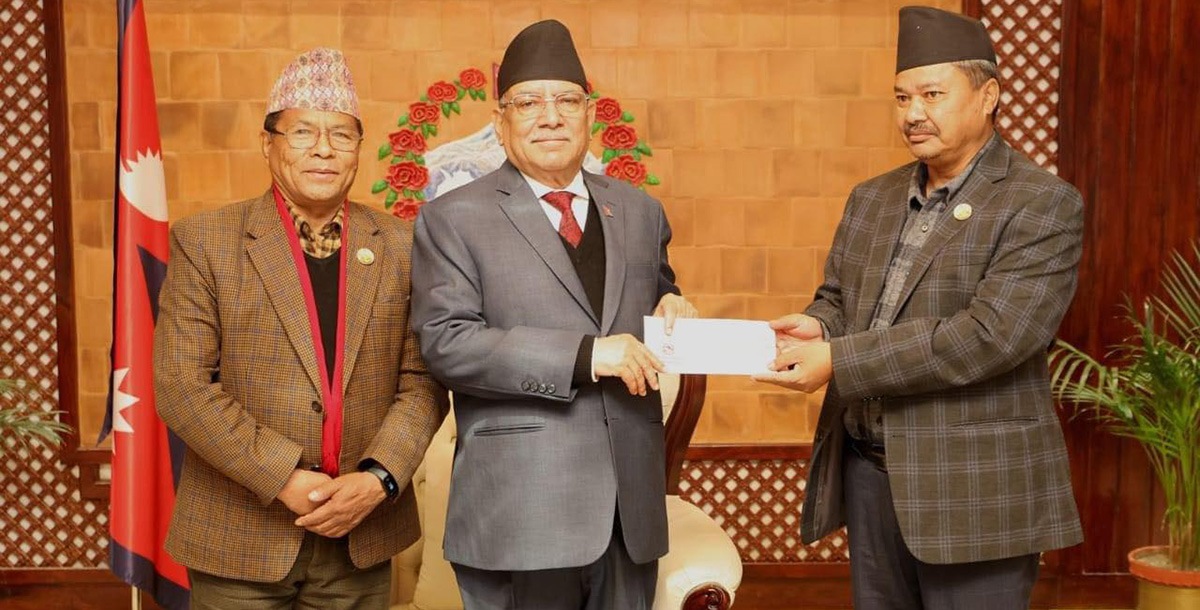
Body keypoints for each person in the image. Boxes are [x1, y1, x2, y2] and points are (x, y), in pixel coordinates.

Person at [753, 7, 1083, 609]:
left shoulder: (1041, 203)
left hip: (974, 487)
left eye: (932, 94)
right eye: (902, 97)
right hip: (870, 475)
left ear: (988, 96)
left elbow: (989, 336)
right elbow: (840, 298)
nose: (913, 114)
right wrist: (819, 325)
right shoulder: (873, 197)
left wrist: (839, 358)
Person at [409, 19, 698, 610]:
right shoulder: (453, 218)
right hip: (522, 509)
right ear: (500, 121)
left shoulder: (640, 212)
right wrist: (589, 355)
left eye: (566, 100)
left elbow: (653, 295)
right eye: (528, 102)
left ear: (589, 114)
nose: (550, 117)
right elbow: (447, 343)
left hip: (629, 514)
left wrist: (673, 305)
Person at [153, 48, 447, 609]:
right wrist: (284, 477)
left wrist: (378, 479)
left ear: (359, 149)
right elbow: (181, 387)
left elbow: (424, 380)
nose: (323, 149)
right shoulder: (206, 241)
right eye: (303, 132)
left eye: (341, 135)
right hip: (240, 535)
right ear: (268, 143)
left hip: (360, 533)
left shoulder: (403, 246)